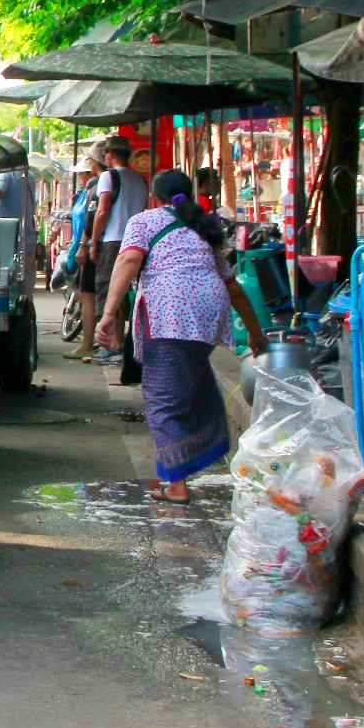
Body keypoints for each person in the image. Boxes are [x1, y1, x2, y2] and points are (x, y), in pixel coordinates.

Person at [95, 169, 270, 505]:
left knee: (163, 398)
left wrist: (108, 314)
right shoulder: (203, 225)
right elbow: (231, 285)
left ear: (154, 198)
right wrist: (255, 332)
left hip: (171, 311)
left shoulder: (145, 221)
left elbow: (130, 259)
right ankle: (203, 449)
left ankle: (176, 483)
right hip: (207, 311)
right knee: (194, 382)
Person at [89, 135, 148, 364]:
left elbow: (102, 211)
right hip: (137, 242)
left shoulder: (108, 176)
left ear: (109, 155)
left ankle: (111, 344)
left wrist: (93, 242)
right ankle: (121, 342)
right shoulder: (140, 179)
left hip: (113, 241)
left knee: (108, 288)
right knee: (126, 294)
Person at [60, 152, 104, 360]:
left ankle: (88, 342)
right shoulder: (87, 191)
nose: (80, 178)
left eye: (82, 174)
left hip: (88, 244)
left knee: (88, 294)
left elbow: (91, 218)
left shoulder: (95, 188)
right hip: (83, 242)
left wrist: (86, 244)